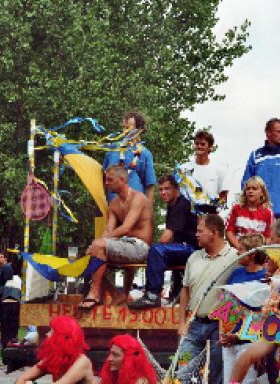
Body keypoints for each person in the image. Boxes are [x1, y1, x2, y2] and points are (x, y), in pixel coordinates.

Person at [80, 164, 153, 309]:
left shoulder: (138, 198)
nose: (107, 183)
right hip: (124, 244)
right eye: (106, 180)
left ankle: (93, 294)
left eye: (110, 180)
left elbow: (126, 228)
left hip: (140, 247)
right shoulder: (113, 205)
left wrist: (99, 242)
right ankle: (116, 294)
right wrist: (95, 246)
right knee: (91, 256)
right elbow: (108, 231)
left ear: (122, 180)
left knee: (98, 246)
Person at [178, 214, 238, 384]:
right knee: (183, 371)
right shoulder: (193, 257)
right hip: (193, 324)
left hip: (220, 326)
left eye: (200, 231)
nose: (196, 234)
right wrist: (182, 322)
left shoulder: (236, 257)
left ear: (214, 232)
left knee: (217, 375)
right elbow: (185, 290)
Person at [128, 175, 198, 309]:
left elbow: (166, 237)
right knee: (158, 252)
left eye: (167, 189)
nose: (163, 192)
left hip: (191, 249)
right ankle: (170, 293)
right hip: (182, 248)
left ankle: (152, 296)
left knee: (156, 250)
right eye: (160, 189)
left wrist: (149, 252)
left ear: (176, 189)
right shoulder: (172, 205)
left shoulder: (181, 205)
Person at [220, 234, 267, 384]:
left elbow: (262, 315)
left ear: (251, 254)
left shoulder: (265, 278)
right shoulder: (236, 274)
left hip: (249, 342)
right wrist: (222, 331)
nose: (237, 253)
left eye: (241, 250)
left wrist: (239, 336)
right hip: (229, 341)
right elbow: (225, 303)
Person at [16, 315, 94, 384]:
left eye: (52, 332)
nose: (47, 334)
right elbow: (22, 379)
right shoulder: (53, 358)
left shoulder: (82, 361)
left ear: (62, 337)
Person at [103, 110, 156, 204]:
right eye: (124, 127)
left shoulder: (145, 154)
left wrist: (148, 210)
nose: (125, 131)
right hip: (112, 206)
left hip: (135, 207)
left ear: (139, 129)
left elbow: (150, 186)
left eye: (128, 128)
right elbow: (103, 179)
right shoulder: (113, 149)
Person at [180, 130, 229, 213]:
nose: (199, 146)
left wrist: (217, 212)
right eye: (197, 143)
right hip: (188, 214)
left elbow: (223, 197)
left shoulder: (219, 169)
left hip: (211, 214)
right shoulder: (184, 168)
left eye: (203, 144)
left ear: (210, 147)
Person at [226, 176, 274, 251]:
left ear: (262, 193)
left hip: (257, 252)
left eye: (254, 188)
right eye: (248, 189)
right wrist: (240, 248)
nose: (250, 191)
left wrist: (258, 252)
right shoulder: (236, 208)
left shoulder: (268, 213)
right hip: (237, 250)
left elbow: (268, 237)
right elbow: (229, 231)